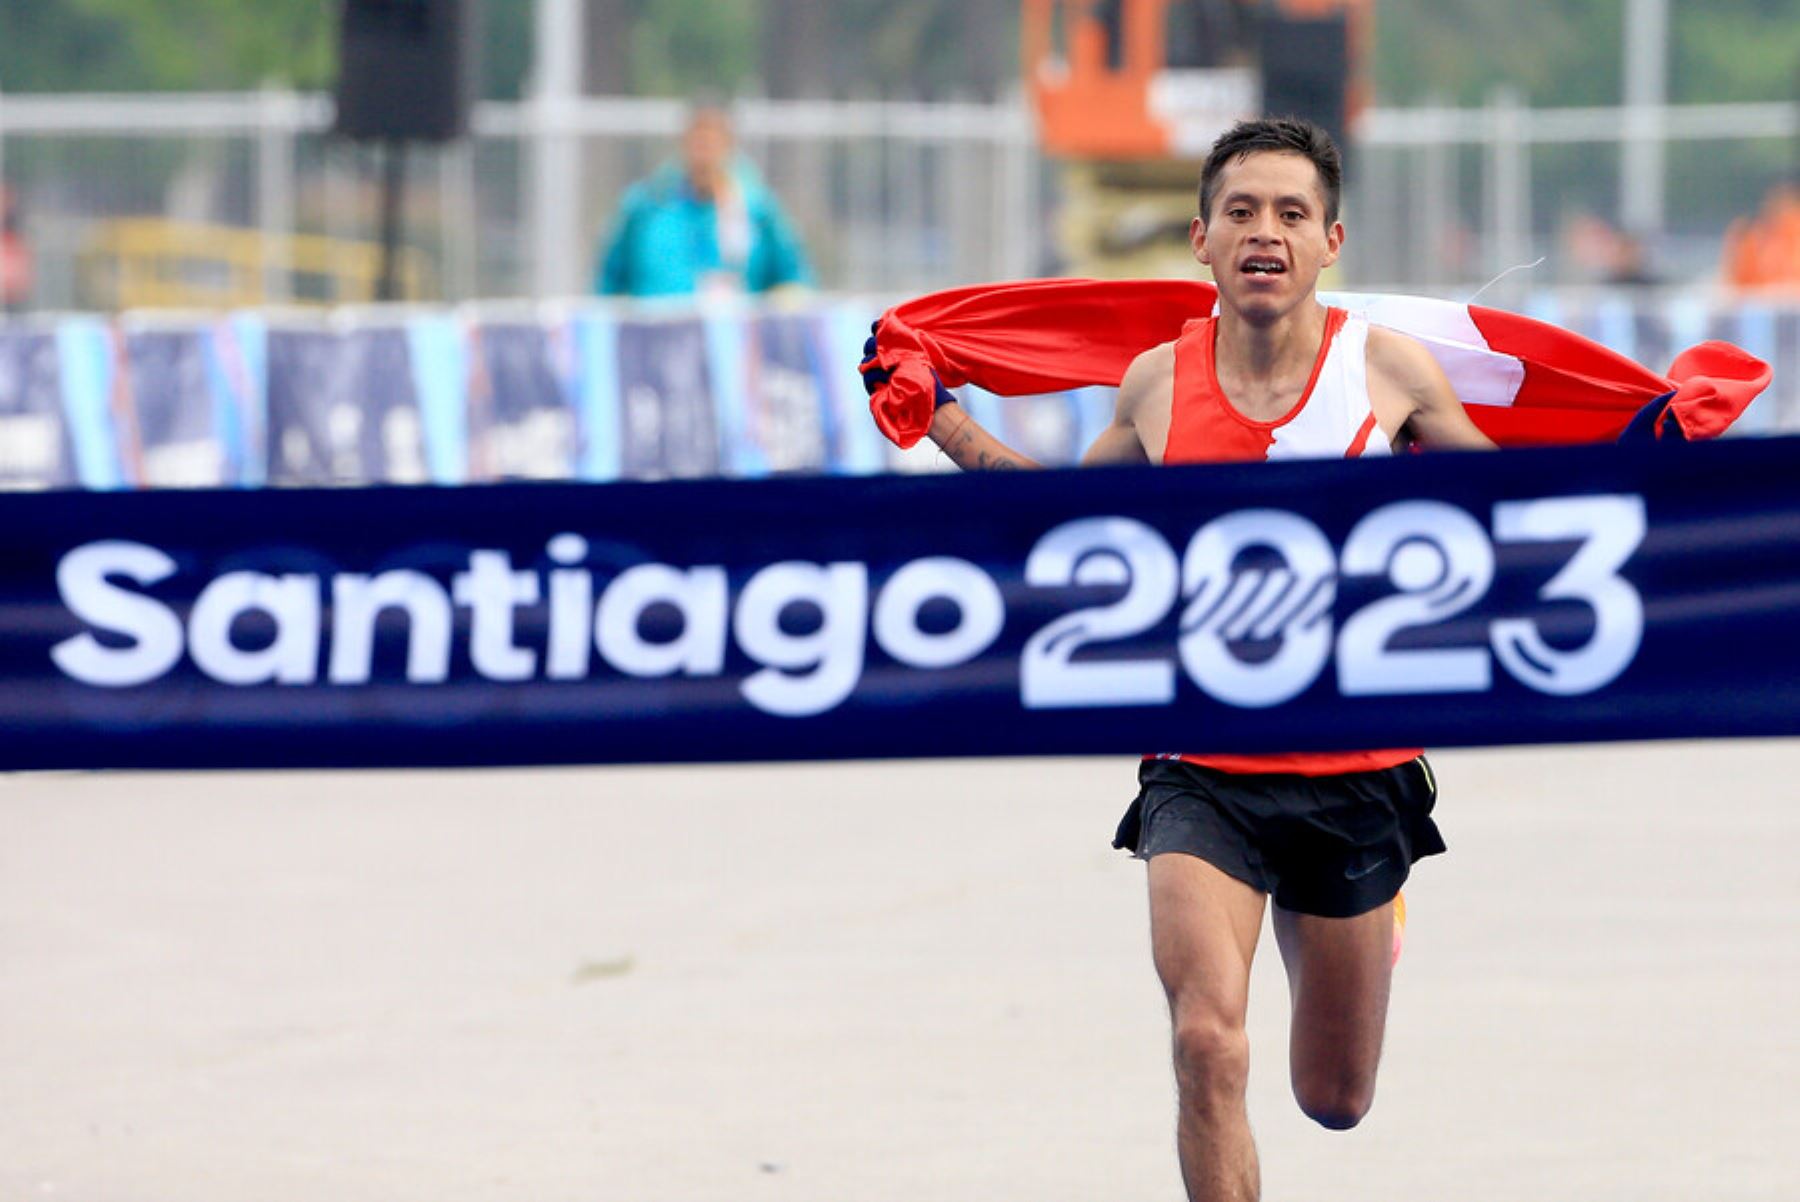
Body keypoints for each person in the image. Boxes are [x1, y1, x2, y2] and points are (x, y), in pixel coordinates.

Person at [866, 116, 1495, 1202]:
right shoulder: (1157, 384)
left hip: (1357, 770)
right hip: (1201, 768)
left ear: (1331, 240)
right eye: (1241, 212)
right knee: (1209, 1042)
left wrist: (1664, 452)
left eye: (1291, 213)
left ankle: (1374, 916)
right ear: (1200, 239)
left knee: (1334, 1096)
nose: (1266, 232)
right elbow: (1062, 522)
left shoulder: (1385, 370)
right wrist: (941, 419)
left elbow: (1529, 516)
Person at [594, 101, 815, 299]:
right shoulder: (647, 206)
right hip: (657, 339)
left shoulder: (756, 210)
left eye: (713, 139)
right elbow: (608, 284)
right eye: (698, 139)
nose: (705, 149)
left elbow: (794, 281)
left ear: (729, 144)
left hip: (730, 338)